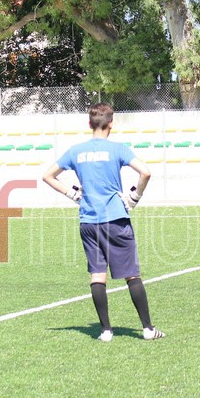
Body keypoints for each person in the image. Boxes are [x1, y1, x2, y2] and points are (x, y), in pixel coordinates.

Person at [42, 103, 164, 343]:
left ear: (89, 124)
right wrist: (135, 197)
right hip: (115, 219)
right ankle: (148, 329)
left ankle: (106, 331)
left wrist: (73, 194)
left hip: (88, 221)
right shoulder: (118, 149)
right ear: (111, 124)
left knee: (98, 276)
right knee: (132, 275)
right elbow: (146, 172)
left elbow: (47, 176)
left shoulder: (76, 151)